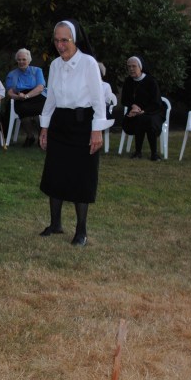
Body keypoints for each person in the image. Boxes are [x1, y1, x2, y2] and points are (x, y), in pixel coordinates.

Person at [39, 20, 112, 246]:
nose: (60, 45)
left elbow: (99, 98)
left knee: (82, 176)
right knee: (55, 172)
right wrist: (44, 126)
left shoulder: (88, 63)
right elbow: (50, 98)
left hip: (83, 123)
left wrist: (97, 130)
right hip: (60, 122)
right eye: (57, 40)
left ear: (75, 40)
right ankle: (56, 224)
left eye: (65, 40)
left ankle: (81, 230)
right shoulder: (54, 65)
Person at [120, 56, 165, 161]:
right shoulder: (128, 81)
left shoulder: (151, 81)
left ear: (140, 67)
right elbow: (124, 100)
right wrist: (133, 106)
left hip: (153, 111)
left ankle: (154, 154)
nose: (131, 69)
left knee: (148, 120)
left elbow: (157, 102)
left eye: (134, 66)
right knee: (138, 119)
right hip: (134, 112)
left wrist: (143, 111)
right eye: (129, 66)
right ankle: (137, 152)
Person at [6, 48, 47, 147]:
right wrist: (17, 96)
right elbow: (10, 92)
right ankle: (30, 136)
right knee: (23, 110)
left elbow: (40, 87)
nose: (21, 62)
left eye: (24, 59)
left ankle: (40, 138)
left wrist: (27, 96)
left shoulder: (37, 71)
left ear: (29, 60)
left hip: (36, 95)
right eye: (19, 60)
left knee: (39, 111)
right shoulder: (12, 74)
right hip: (20, 97)